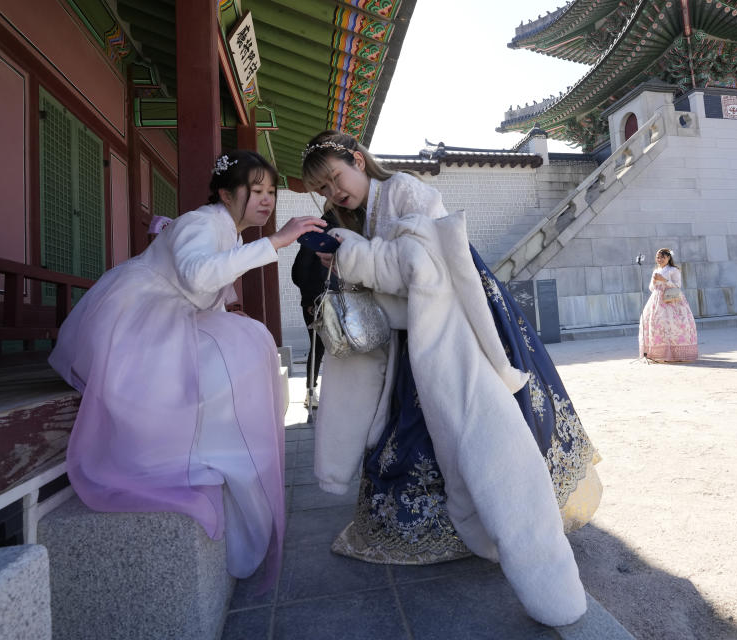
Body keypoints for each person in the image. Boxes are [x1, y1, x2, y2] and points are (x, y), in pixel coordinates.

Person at [301, 130, 601, 627]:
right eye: (325, 190)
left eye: (336, 179)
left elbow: (421, 265)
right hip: (418, 337)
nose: (335, 194)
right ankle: (468, 530)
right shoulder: (360, 214)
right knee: (428, 435)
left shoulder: (404, 191)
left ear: (358, 159)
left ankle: (528, 556)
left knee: (486, 433)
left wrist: (352, 254)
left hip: (456, 324)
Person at [48, 151, 326, 586]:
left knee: (248, 346)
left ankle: (209, 451)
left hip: (165, 319)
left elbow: (215, 283)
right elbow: (198, 275)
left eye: (271, 192)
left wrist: (233, 302)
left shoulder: (227, 231)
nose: (267, 201)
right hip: (135, 321)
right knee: (242, 352)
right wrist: (274, 243)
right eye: (256, 191)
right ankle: (192, 452)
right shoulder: (201, 221)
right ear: (224, 193)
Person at [290, 210, 337, 412]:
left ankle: (329, 391)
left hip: (335, 299)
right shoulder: (317, 238)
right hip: (316, 301)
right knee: (318, 347)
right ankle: (311, 391)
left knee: (335, 347)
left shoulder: (337, 233)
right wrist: (310, 300)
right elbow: (298, 273)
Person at [638, 248, 698, 362]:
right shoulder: (656, 270)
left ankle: (674, 353)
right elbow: (651, 288)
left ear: (668, 258)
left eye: (662, 257)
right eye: (657, 257)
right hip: (656, 299)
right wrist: (655, 281)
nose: (659, 259)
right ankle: (658, 352)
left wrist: (664, 280)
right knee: (656, 323)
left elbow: (678, 285)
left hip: (671, 300)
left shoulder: (673, 270)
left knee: (671, 323)